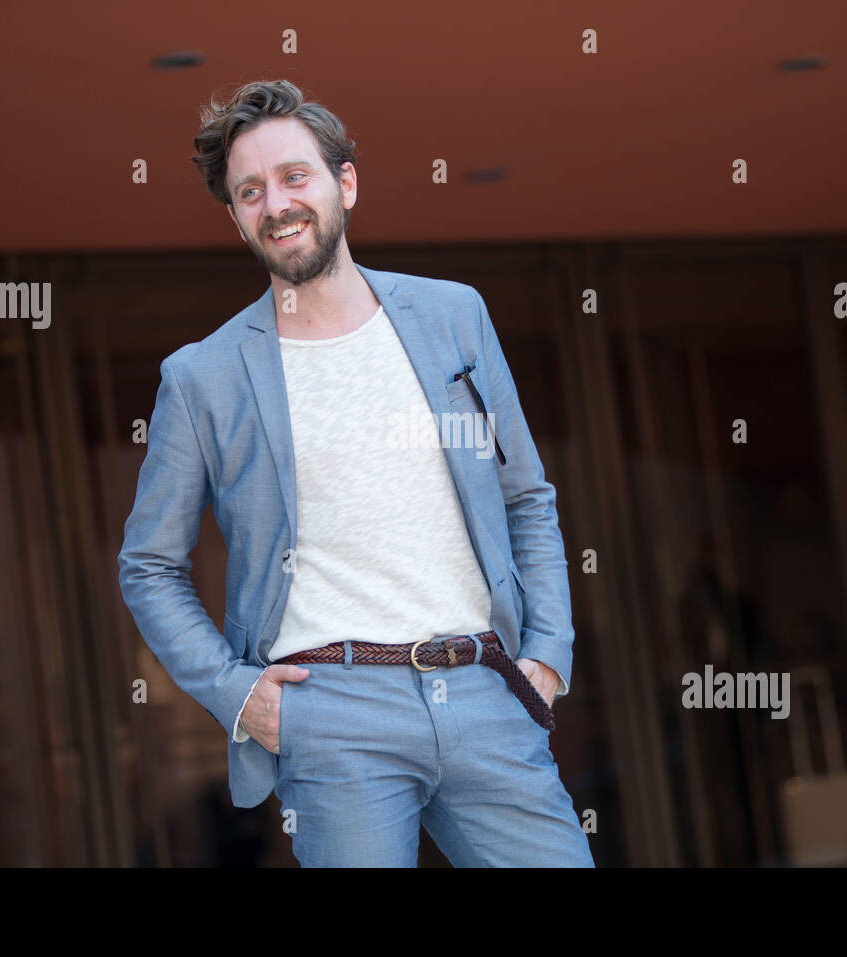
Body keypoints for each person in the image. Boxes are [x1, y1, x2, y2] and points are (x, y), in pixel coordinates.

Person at [118, 79, 593, 867]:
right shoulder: (204, 378)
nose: (276, 203)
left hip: (485, 687)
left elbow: (525, 497)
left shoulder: (454, 318)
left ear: (345, 183)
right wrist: (238, 695)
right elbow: (150, 565)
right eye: (250, 191)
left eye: (294, 177)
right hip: (334, 716)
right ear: (236, 218)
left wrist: (546, 652)